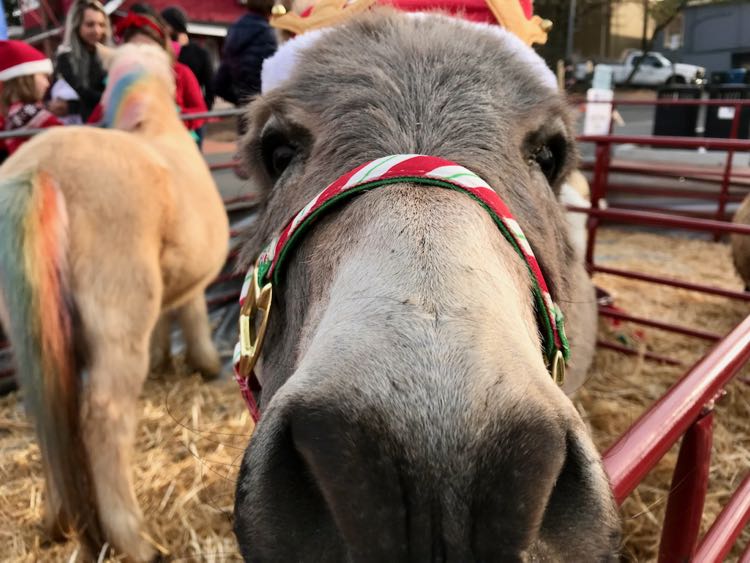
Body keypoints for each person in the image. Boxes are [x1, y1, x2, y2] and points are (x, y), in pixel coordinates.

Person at [87, 9, 207, 139]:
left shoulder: (181, 73)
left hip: (172, 142)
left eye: (148, 48)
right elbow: (101, 114)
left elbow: (199, 110)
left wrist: (173, 117)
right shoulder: (120, 79)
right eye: (135, 48)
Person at [52, 0, 111, 122]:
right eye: (90, 24)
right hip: (89, 125)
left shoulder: (111, 55)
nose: (97, 31)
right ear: (77, 25)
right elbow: (83, 94)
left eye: (102, 25)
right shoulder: (65, 58)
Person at [0, 40, 62, 157]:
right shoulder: (28, 113)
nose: (47, 84)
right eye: (43, 76)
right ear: (25, 79)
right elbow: (69, 138)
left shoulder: (12, 112)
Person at [214, 0, 277, 113]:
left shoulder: (233, 32)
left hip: (244, 112)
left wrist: (242, 101)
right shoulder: (269, 35)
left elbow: (220, 84)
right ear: (270, 8)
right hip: (265, 112)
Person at [161, 6, 215, 109]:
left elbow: (210, 86)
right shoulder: (162, 52)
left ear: (174, 26)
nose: (162, 28)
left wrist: (204, 109)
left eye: (164, 24)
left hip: (193, 116)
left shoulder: (201, 54)